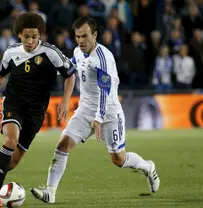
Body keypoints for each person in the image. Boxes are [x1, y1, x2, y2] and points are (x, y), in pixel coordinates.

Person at [30, 17, 160, 203]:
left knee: (118, 159)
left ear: (95, 35)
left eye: (84, 36)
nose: (80, 41)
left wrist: (99, 118)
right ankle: (50, 192)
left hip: (109, 113)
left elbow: (105, 91)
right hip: (85, 110)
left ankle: (148, 167)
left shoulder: (102, 58)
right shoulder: (77, 51)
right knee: (63, 145)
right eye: (77, 36)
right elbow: (70, 68)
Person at [0, 12, 77, 208]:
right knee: (10, 140)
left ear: (40, 36)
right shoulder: (12, 53)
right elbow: (1, 77)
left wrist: (64, 101)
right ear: (19, 34)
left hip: (36, 113)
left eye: (34, 37)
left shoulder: (51, 53)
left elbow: (70, 75)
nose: (30, 41)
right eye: (26, 36)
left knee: (11, 162)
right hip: (14, 103)